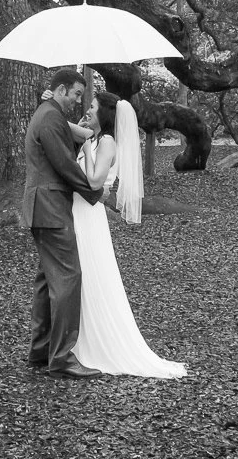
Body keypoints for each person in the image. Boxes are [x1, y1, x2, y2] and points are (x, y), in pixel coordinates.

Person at [70, 91, 188, 379]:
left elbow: (96, 181)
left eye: (93, 107)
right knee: (81, 276)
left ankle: (94, 343)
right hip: (79, 211)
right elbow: (64, 127)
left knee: (90, 275)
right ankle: (77, 337)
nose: (88, 110)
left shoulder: (107, 142)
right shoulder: (94, 138)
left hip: (88, 214)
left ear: (106, 115)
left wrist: (85, 152)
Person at [21, 68, 106, 378]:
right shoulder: (50, 117)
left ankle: (40, 352)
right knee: (68, 278)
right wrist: (94, 192)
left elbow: (60, 154)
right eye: (75, 95)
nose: (77, 102)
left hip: (42, 208)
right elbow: (64, 165)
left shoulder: (47, 114)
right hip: (50, 209)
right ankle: (62, 358)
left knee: (46, 282)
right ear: (60, 91)